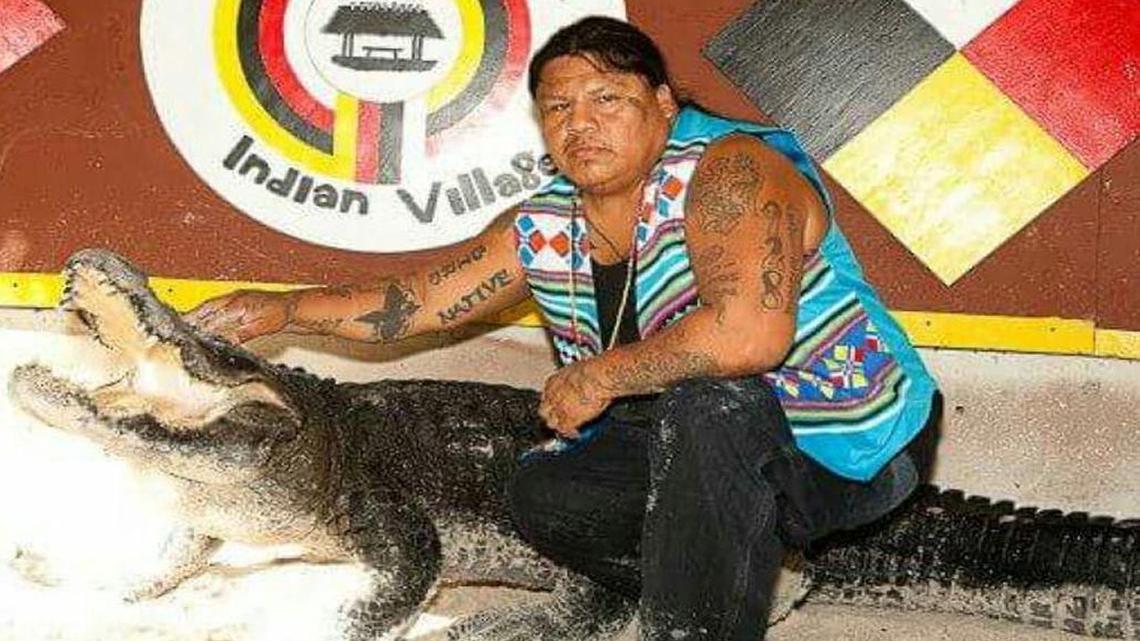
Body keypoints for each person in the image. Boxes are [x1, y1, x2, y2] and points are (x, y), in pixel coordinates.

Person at [187, 16, 938, 640]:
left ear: (663, 102)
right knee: (549, 493)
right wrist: (284, 309)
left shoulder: (730, 170)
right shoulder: (547, 221)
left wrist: (600, 374)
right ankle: (738, 579)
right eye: (558, 108)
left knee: (709, 402)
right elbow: (415, 302)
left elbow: (747, 337)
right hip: (698, 435)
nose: (581, 124)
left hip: (850, 437)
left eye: (607, 99)